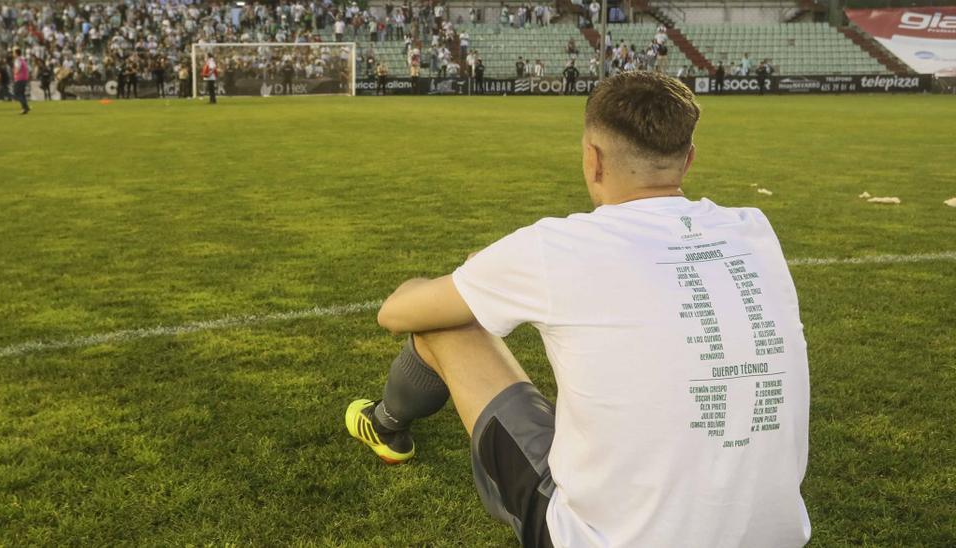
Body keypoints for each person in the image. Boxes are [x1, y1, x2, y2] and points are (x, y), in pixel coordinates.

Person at [345, 71, 811, 548]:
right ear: (687, 160)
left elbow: (395, 313)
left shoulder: (558, 245)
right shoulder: (754, 229)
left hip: (598, 540)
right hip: (775, 539)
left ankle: (385, 423)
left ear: (592, 159)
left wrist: (472, 278)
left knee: (444, 322)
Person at [12, 49, 30, 114]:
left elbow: (18, 68)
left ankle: (25, 107)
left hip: (19, 78)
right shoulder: (23, 60)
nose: (13, 54)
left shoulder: (17, 60)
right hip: (24, 78)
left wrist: (14, 72)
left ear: (16, 53)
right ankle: (25, 107)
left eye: (13, 53)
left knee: (17, 93)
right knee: (21, 93)